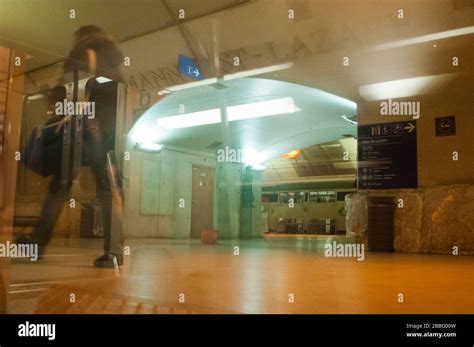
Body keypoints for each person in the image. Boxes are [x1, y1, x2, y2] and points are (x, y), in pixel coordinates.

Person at [18, 25, 124, 268]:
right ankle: (114, 253)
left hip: (82, 128)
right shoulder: (115, 61)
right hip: (108, 132)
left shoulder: (82, 51)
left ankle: (36, 245)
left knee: (59, 186)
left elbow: (68, 90)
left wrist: (55, 104)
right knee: (108, 189)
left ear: (82, 35)